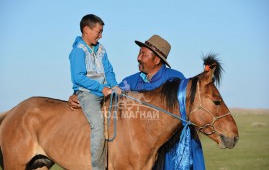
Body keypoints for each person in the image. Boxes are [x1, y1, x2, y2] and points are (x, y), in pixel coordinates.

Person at [68, 34, 205, 169]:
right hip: (142, 152)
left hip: (173, 150)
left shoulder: (176, 80)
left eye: (143, 54)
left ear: (156, 59)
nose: (138, 58)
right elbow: (111, 95)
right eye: (139, 53)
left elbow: (190, 107)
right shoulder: (131, 81)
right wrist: (80, 96)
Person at [69, 14, 121, 170]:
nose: (101, 35)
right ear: (86, 30)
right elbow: (78, 77)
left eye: (102, 32)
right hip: (87, 93)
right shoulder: (78, 51)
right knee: (98, 127)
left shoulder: (102, 49)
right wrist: (101, 88)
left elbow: (109, 71)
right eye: (99, 31)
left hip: (105, 91)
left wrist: (114, 85)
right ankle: (98, 167)